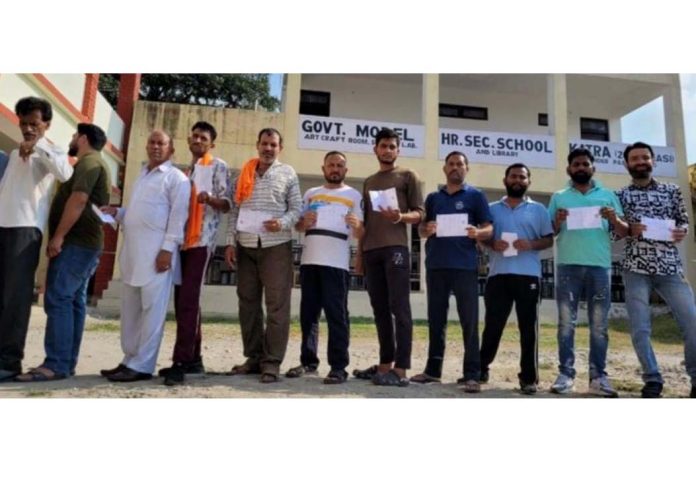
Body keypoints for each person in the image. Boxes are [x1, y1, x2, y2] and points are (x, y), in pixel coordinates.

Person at [14, 124, 110, 382]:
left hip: (77, 244)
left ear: (83, 138)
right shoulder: (91, 163)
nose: (71, 139)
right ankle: (65, 363)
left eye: (74, 136)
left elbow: (78, 200)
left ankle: (55, 364)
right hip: (83, 244)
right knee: (73, 302)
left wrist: (58, 236)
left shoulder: (89, 164)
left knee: (58, 298)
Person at [100, 130, 190, 382]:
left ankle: (143, 365)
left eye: (161, 143)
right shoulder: (142, 174)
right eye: (151, 142)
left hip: (157, 257)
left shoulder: (177, 178)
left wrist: (167, 251)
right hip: (132, 255)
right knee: (131, 311)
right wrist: (118, 213)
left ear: (171, 149)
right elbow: (140, 212)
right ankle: (129, 359)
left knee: (152, 313)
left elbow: (177, 217)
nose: (155, 146)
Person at [0, 97, 73, 382]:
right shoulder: (15, 153)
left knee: (15, 299)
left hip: (25, 230)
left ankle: (9, 361)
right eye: (24, 123)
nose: (28, 129)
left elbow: (65, 174)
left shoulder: (52, 149)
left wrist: (39, 145)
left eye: (34, 124)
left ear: (46, 125)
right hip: (2, 227)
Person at [615, 141, 696, 398]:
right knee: (640, 327)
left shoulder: (672, 191)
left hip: (670, 267)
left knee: (692, 323)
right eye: (635, 158)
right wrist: (629, 228)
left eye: (645, 157)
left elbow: (683, 221)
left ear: (653, 161)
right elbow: (612, 233)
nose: (641, 162)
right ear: (627, 164)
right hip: (635, 268)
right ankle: (652, 378)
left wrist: (682, 231)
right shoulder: (620, 196)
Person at [547, 148, 628, 397]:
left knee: (599, 326)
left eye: (585, 164)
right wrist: (558, 221)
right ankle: (566, 374)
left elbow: (624, 231)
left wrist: (614, 218)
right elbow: (550, 231)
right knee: (565, 324)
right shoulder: (559, 196)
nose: (581, 167)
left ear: (593, 167)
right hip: (568, 266)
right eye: (576, 164)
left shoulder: (608, 195)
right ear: (569, 169)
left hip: (599, 267)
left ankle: (598, 377)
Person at [224, 128, 301, 383]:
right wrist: (229, 243)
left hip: (276, 245)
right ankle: (254, 357)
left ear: (280, 148)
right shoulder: (243, 174)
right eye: (265, 144)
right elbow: (234, 210)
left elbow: (297, 208)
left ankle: (272, 362)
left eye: (273, 144)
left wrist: (282, 222)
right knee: (247, 303)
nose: (268, 148)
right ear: (257, 145)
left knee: (277, 306)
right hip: (245, 245)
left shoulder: (287, 173)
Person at [409, 151, 492, 392]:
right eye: (451, 164)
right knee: (436, 320)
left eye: (460, 164)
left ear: (467, 169)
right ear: (445, 169)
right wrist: (427, 228)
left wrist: (478, 233)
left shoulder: (476, 196)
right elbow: (421, 230)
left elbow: (488, 227)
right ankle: (433, 371)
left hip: (465, 266)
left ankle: (472, 374)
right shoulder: (434, 197)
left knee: (469, 322)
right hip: (436, 265)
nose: (455, 167)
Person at [159, 121, 231, 386]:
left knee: (189, 300)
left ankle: (180, 362)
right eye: (195, 136)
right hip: (181, 242)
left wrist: (209, 198)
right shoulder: (184, 172)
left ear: (211, 144)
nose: (198, 141)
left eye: (204, 138)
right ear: (189, 140)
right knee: (184, 302)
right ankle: (194, 359)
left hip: (201, 241)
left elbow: (227, 204)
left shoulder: (217, 165)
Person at [352, 128, 424, 387]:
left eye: (392, 146)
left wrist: (400, 217)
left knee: (399, 308)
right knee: (379, 309)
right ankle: (385, 365)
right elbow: (367, 221)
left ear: (398, 150)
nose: (388, 150)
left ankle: (401, 369)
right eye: (383, 146)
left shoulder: (408, 176)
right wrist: (359, 254)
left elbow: (419, 213)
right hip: (371, 251)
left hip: (396, 249)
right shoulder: (369, 181)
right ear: (375, 149)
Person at [285, 151, 364, 384]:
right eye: (331, 164)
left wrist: (357, 225)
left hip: (336, 263)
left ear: (345, 171)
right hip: (310, 261)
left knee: (336, 316)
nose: (335, 168)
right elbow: (298, 225)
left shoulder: (353, 195)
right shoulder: (311, 194)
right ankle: (309, 362)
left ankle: (339, 367)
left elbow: (361, 233)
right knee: (308, 315)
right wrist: (303, 222)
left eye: (340, 165)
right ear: (323, 168)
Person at [479, 163, 553, 395]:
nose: (517, 180)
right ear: (505, 180)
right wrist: (493, 243)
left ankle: (528, 378)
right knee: (492, 326)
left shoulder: (539, 209)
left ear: (528, 182)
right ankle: (480, 369)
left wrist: (530, 244)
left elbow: (548, 240)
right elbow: (483, 238)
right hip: (498, 275)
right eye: (513, 176)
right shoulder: (492, 209)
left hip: (528, 276)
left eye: (522, 177)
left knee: (528, 329)